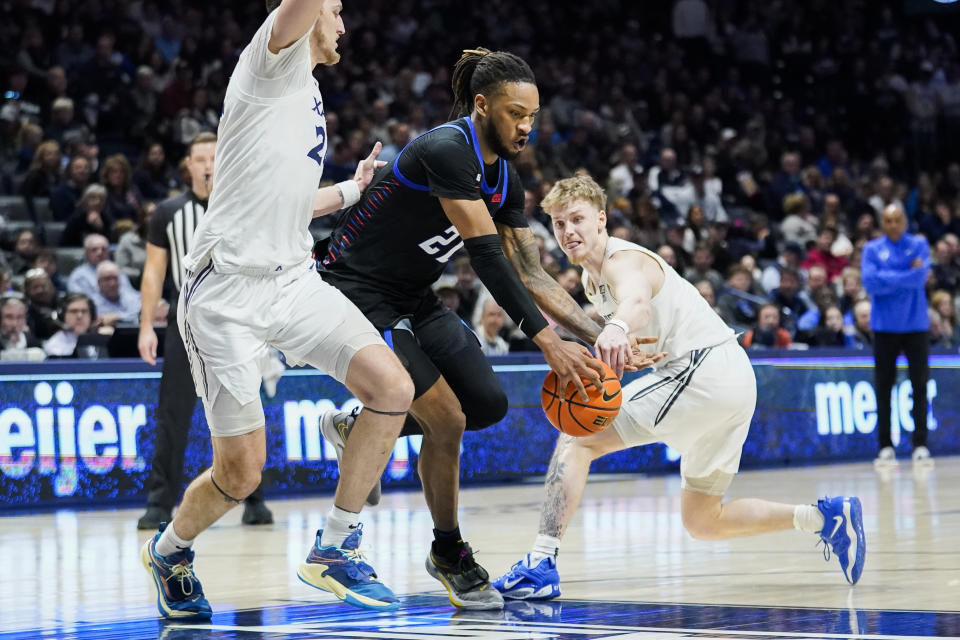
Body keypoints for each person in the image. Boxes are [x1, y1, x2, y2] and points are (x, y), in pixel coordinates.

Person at [316, 48, 621, 610]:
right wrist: (548, 341)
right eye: (514, 113)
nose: (526, 126)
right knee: (446, 416)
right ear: (482, 106)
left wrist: (597, 330)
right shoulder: (446, 149)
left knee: (484, 405)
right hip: (354, 290)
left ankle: (356, 427)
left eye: (533, 115)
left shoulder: (505, 177)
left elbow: (530, 271)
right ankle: (449, 551)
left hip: (410, 295)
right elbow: (486, 257)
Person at [141, 0, 416, 620]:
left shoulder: (309, 92)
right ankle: (170, 550)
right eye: (337, 11)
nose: (343, 24)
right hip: (225, 299)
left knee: (393, 387)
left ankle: (336, 549)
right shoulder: (270, 65)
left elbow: (288, 200)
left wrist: (354, 188)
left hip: (292, 279)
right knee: (241, 475)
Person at [492, 175, 866, 602]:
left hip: (703, 371)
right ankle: (825, 518)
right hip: (729, 378)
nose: (568, 232)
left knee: (576, 439)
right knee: (703, 520)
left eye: (576, 219)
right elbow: (639, 318)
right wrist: (618, 335)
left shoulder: (621, 261)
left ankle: (541, 563)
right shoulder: (592, 280)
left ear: (601, 219)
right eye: (559, 224)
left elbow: (637, 301)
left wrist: (615, 326)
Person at [136, 132, 274, 531]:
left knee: (246, 407)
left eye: (215, 156)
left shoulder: (244, 206)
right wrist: (147, 324)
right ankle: (160, 503)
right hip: (186, 321)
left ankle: (255, 499)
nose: (209, 164)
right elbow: (153, 272)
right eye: (201, 158)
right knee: (173, 414)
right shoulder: (167, 212)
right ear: (189, 165)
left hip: (237, 318)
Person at [861, 204, 933, 468]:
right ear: (882, 222)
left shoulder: (919, 245)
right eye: (888, 220)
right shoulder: (871, 249)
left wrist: (888, 277)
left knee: (920, 386)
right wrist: (906, 272)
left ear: (905, 221)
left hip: (916, 325)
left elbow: (919, 279)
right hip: (884, 328)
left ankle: (921, 444)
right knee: (883, 388)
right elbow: (870, 283)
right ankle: (885, 446)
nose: (893, 224)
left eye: (897, 219)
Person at [43, 292, 95, 357]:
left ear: (92, 316)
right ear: (62, 316)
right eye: (74, 311)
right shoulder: (54, 345)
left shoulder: (102, 339)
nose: (79, 316)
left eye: (84, 311)